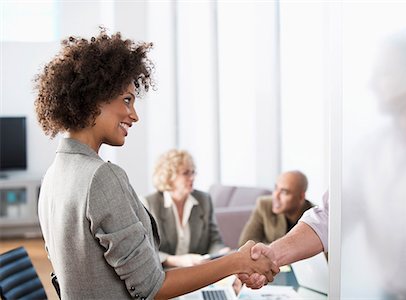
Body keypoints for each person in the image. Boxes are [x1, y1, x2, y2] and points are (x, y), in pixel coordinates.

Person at [34, 29, 278, 300]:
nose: (134, 115)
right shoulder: (100, 176)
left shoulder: (53, 176)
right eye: (127, 100)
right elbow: (152, 287)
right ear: (94, 97)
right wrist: (237, 261)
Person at [241, 29, 406, 298]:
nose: (372, 84)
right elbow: (331, 217)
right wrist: (273, 254)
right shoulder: (372, 149)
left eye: (386, 73)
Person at [143, 149, 230, 268]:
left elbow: (214, 240)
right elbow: (144, 250)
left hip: (197, 273)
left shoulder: (204, 200)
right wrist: (174, 260)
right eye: (186, 173)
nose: (192, 177)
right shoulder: (150, 204)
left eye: (193, 172)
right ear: (169, 176)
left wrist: (220, 253)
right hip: (164, 274)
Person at [238, 170, 314, 247]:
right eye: (276, 188)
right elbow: (245, 243)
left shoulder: (315, 217)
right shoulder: (264, 205)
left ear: (301, 197)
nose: (275, 196)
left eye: (284, 192)